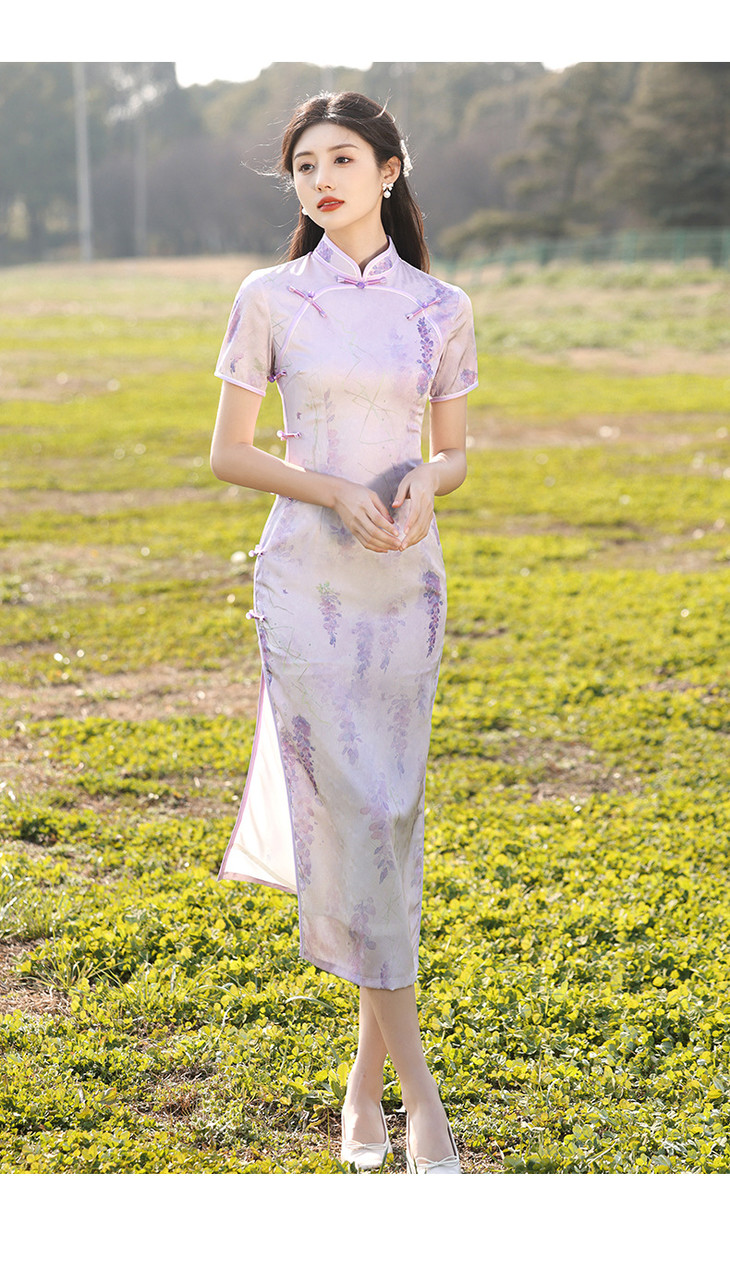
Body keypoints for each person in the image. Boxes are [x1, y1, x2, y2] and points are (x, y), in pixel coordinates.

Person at [209, 90, 478, 1175]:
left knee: (391, 816)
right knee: (359, 815)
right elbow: (229, 452)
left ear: (389, 170)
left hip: (405, 584)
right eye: (305, 165)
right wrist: (330, 487)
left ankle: (362, 1086)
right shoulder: (270, 296)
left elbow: (455, 451)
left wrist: (425, 482)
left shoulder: (440, 305)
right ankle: (421, 1098)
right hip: (306, 586)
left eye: (341, 160)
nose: (320, 179)